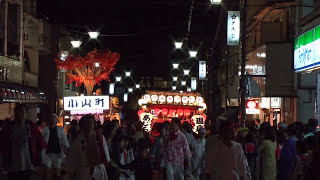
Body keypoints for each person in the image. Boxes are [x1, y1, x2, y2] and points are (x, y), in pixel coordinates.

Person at [0, 104, 47, 180]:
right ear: (15, 113)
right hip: (12, 165)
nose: (20, 114)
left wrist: (41, 160)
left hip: (27, 164)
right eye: (18, 112)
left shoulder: (32, 127)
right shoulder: (8, 128)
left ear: (26, 113)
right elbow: (2, 144)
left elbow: (40, 143)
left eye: (22, 112)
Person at [65, 114, 110, 180]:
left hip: (98, 169)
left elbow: (106, 156)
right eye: (87, 123)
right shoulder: (78, 141)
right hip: (84, 172)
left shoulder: (99, 137)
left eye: (91, 123)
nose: (89, 125)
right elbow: (72, 159)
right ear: (83, 125)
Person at [41, 113, 70, 180]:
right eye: (51, 118)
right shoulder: (45, 130)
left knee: (56, 172)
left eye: (54, 118)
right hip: (47, 153)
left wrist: (66, 147)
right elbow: (41, 140)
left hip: (57, 153)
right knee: (46, 171)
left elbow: (64, 139)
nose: (52, 119)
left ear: (56, 120)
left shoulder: (60, 129)